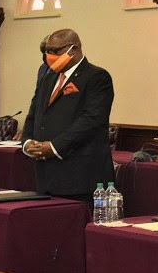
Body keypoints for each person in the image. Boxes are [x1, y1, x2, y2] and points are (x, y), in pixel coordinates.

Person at [21, 29, 114, 201]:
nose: (50, 56)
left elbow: (91, 120)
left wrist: (54, 147)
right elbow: (34, 114)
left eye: (55, 51)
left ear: (74, 49)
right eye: (47, 51)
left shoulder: (97, 77)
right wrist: (27, 142)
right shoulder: (48, 78)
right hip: (46, 176)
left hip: (79, 176)